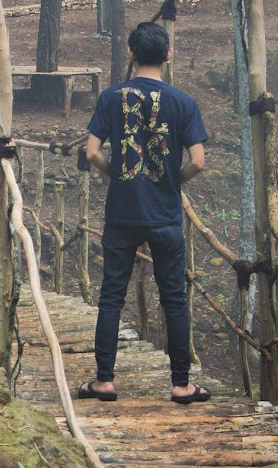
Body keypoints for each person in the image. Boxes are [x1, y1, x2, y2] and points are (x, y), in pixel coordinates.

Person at [79, 22, 211, 405]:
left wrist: (117, 176)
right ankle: (181, 384)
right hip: (165, 215)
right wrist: (171, 181)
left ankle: (104, 381)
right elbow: (198, 162)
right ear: (168, 55)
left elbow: (91, 153)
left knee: (111, 297)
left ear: (131, 54)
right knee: (173, 298)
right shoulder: (184, 103)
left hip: (122, 212)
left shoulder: (110, 97)